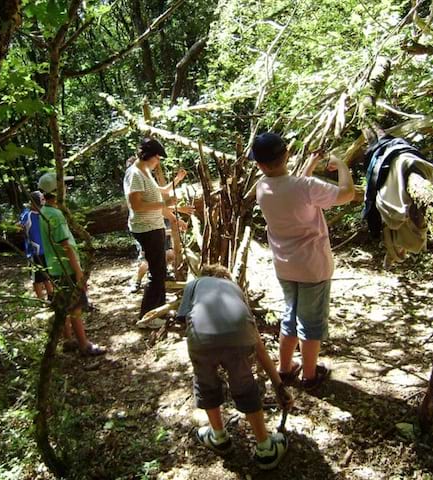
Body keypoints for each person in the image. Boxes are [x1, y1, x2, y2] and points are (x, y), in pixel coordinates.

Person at [250, 132, 354, 389]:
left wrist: (309, 165)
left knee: (290, 316)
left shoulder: (262, 187)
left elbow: (293, 189)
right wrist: (341, 165)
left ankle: (284, 369)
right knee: (310, 322)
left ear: (260, 164)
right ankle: (309, 375)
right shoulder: (305, 188)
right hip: (312, 267)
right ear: (286, 155)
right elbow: (347, 194)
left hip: (285, 266)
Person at [176, 264, 293, 470]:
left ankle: (219, 437)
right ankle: (265, 448)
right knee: (244, 384)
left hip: (201, 337)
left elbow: (185, 320)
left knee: (205, 381)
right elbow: (257, 342)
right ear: (226, 278)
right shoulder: (234, 289)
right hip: (240, 336)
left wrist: (204, 353)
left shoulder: (193, 284)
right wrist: (278, 385)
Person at [38, 172, 106, 356]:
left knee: (63, 306)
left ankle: (68, 340)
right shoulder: (56, 215)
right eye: (63, 187)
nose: (66, 189)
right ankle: (84, 345)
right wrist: (79, 273)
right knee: (75, 307)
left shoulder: (45, 212)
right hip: (65, 269)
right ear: (56, 191)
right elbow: (66, 246)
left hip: (55, 268)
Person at [123, 138, 191, 317]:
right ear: (150, 156)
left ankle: (159, 310)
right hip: (146, 229)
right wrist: (166, 203)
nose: (158, 162)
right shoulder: (135, 174)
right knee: (156, 271)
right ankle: (148, 314)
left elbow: (159, 199)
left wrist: (173, 217)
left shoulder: (145, 172)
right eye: (158, 158)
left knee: (159, 270)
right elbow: (136, 205)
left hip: (154, 226)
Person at [18, 191, 54, 300]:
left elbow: (19, 226)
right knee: (42, 277)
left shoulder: (31, 214)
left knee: (41, 277)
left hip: (39, 251)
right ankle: (46, 298)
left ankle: (46, 298)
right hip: (40, 252)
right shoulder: (39, 214)